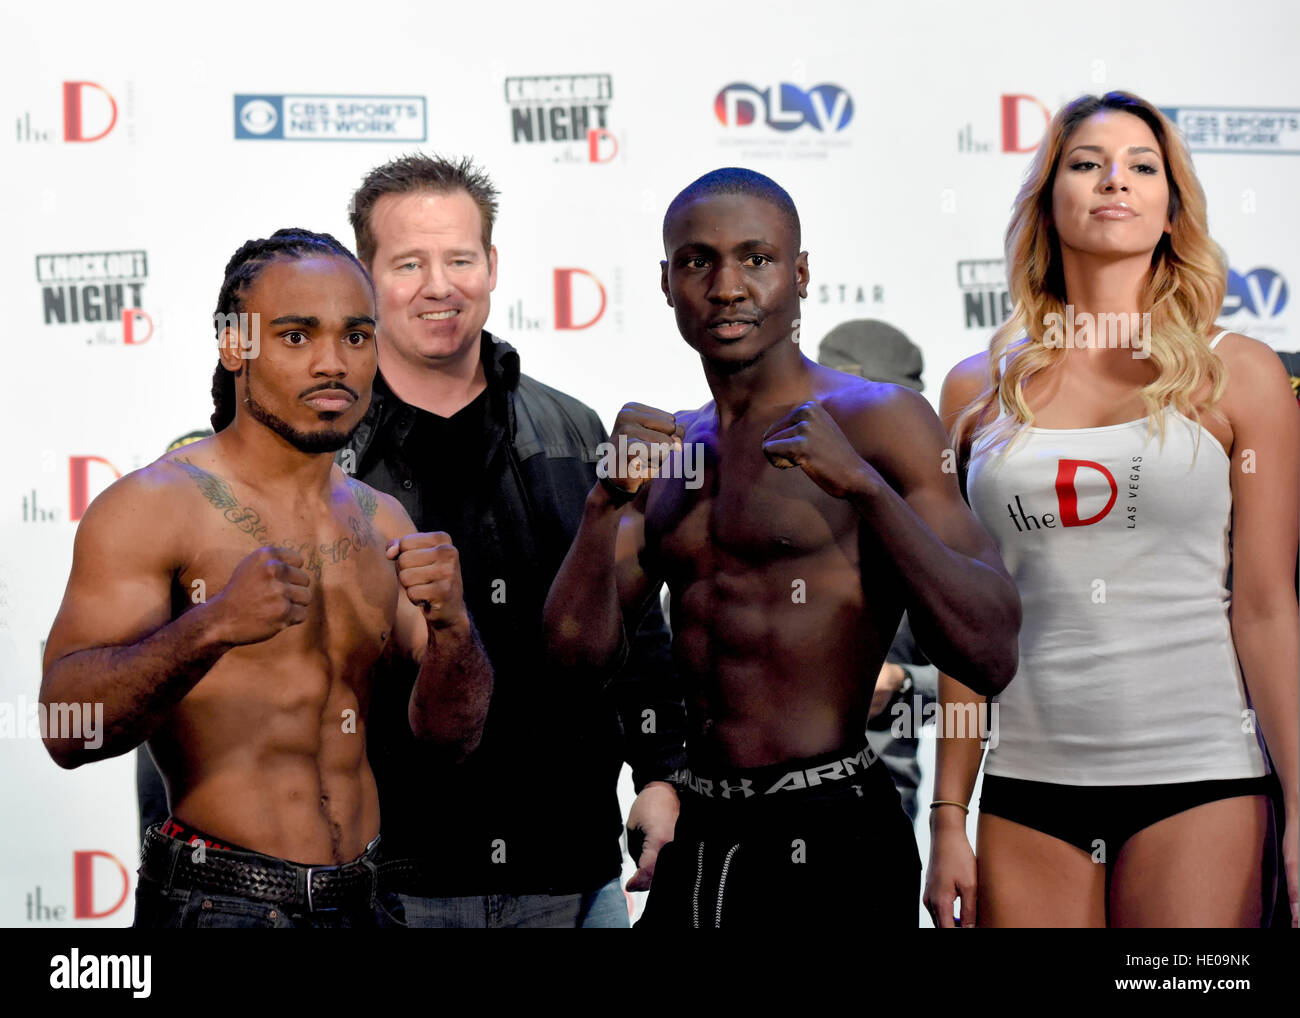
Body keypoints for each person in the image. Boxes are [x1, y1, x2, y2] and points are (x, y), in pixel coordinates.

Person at [544, 167, 1021, 928]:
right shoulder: (674, 451)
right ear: (666, 283)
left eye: (757, 259)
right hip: (701, 834)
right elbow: (574, 666)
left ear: (799, 274)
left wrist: (864, 487)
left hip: (836, 828)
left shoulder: (880, 421)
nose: (728, 285)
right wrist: (603, 503)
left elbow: (990, 649)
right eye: (698, 261)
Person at [39, 228, 493, 928]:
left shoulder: (386, 522)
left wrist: (455, 629)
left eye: (355, 336)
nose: (332, 363)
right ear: (234, 346)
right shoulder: (153, 507)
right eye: (295, 336)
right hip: (220, 903)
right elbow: (66, 731)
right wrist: (212, 624)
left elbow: (450, 740)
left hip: (365, 899)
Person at [926, 91, 1299, 929]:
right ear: (1049, 200)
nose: (1113, 183)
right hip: (1026, 789)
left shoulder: (1239, 373)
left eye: (1141, 167)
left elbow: (1269, 607)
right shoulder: (974, 390)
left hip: (1204, 779)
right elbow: (967, 628)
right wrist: (948, 813)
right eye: (1087, 164)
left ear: (1172, 207)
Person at [342, 154, 685, 927]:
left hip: (571, 876)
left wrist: (664, 775)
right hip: (389, 888)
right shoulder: (328, 450)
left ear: (492, 265)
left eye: (460, 258)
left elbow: (635, 621)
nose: (440, 285)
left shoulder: (573, 429)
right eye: (409, 263)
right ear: (366, 277)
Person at [817, 319, 941, 823]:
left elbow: (994, 679)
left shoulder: (935, 522)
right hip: (747, 818)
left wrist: (903, 683)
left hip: (879, 817)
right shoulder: (745, 503)